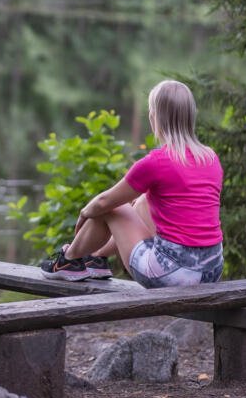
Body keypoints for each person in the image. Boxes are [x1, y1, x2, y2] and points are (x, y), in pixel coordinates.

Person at [39, 80, 224, 288]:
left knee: (114, 207)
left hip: (170, 274)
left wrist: (84, 212)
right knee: (144, 200)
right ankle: (97, 257)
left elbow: (104, 202)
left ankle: (68, 259)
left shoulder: (157, 162)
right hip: (211, 270)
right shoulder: (210, 158)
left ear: (156, 117)